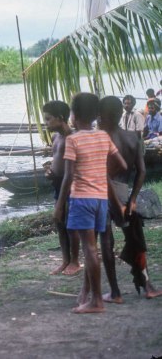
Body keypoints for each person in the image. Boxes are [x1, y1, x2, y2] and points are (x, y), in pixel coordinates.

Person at [55, 92, 126, 314]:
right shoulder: (103, 136)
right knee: (93, 249)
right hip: (101, 199)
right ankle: (89, 296)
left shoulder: (73, 140)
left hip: (81, 199)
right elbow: (122, 164)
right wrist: (99, 173)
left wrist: (59, 206)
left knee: (89, 250)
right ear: (95, 115)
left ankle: (96, 301)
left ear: (74, 116)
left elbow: (68, 176)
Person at [98, 96, 162, 302]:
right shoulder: (133, 138)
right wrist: (133, 198)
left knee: (107, 241)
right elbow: (141, 172)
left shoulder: (101, 139)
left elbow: (103, 174)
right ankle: (148, 285)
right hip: (125, 192)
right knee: (135, 238)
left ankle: (115, 292)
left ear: (103, 116)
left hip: (105, 192)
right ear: (120, 114)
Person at [42, 101, 80, 276]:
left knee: (71, 223)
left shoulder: (72, 138)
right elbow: (57, 160)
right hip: (58, 183)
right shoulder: (56, 137)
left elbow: (71, 170)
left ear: (60, 118)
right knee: (60, 222)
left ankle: (75, 261)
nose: (46, 123)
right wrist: (50, 170)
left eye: (48, 119)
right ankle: (65, 260)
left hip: (71, 184)